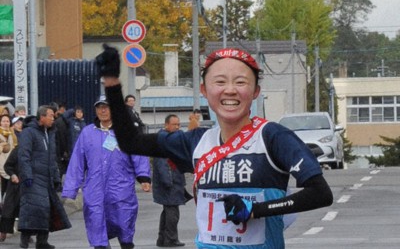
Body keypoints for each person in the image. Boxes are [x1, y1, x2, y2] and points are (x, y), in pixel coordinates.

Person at [98, 45, 333, 249]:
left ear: (256, 92)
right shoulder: (196, 141)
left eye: (240, 82)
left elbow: (320, 194)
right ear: (204, 90)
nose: (230, 90)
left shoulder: (272, 136)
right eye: (219, 82)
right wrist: (112, 83)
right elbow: (130, 141)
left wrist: (255, 210)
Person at [62, 95, 152, 249]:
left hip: (120, 189)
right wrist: (70, 189)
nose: (103, 110)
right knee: (97, 227)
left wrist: (143, 177)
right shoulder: (87, 133)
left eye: (107, 107)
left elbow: (139, 154)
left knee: (124, 225)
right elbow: (77, 162)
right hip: (95, 190)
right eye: (99, 107)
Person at [18, 105, 71, 249]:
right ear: (42, 117)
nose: (53, 119)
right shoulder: (28, 132)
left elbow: (52, 158)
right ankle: (25, 239)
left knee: (47, 209)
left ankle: (42, 241)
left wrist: (55, 177)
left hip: (46, 178)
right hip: (33, 177)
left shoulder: (50, 133)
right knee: (34, 209)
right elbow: (24, 156)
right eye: (51, 116)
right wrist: (27, 174)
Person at [153, 114, 186, 247]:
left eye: (179, 124)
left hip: (172, 181)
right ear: (166, 125)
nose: (177, 127)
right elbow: (162, 164)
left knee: (167, 211)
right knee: (173, 212)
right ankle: (171, 239)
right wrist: (168, 181)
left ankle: (162, 239)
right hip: (170, 182)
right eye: (174, 125)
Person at [0, 114, 17, 200]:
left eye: (7, 121)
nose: (6, 123)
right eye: (3, 121)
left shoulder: (11, 135)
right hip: (0, 167)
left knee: (7, 192)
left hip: (9, 167)